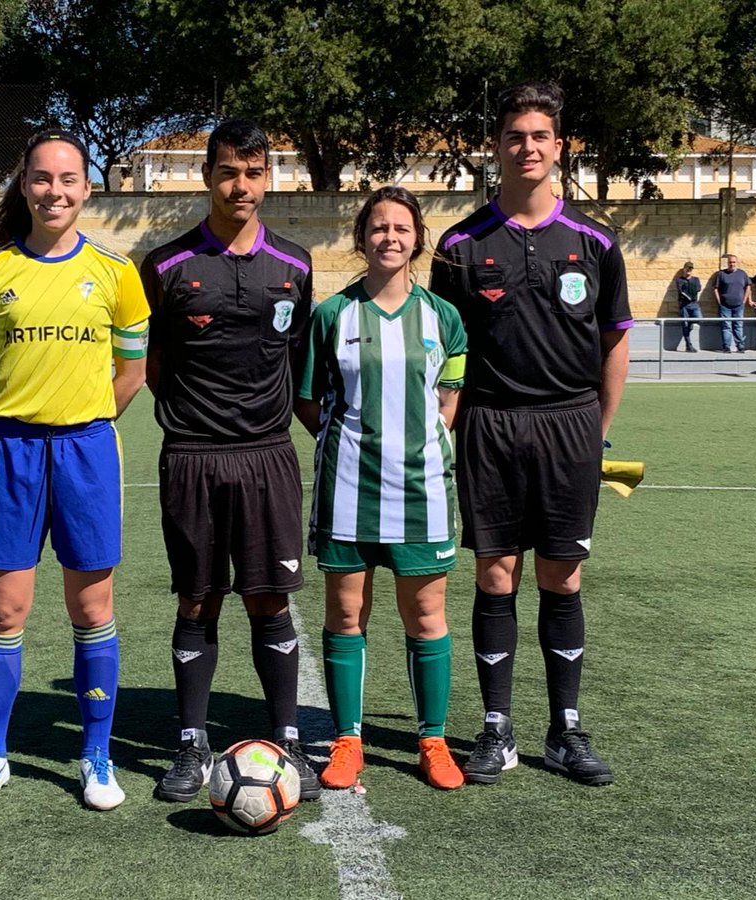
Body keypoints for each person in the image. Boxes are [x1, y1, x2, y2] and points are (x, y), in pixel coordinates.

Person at [430, 82, 631, 787]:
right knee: (494, 573)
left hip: (569, 423)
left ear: (559, 147)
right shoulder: (459, 245)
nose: (528, 147)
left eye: (541, 136)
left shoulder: (595, 241)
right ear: (497, 147)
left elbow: (613, 340)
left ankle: (565, 730)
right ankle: (496, 729)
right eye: (515, 135)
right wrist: (450, 420)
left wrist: (596, 428)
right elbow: (444, 349)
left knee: (563, 574)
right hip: (489, 424)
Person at [0, 129, 149, 813]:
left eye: (67, 179)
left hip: (88, 447)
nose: (54, 191)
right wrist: (22, 409)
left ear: (87, 188)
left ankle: (96, 755)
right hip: (10, 448)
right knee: (4, 608)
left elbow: (132, 373)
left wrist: (82, 414)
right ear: (23, 184)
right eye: (41, 178)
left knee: (92, 606)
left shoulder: (118, 273)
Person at [140, 118, 321, 803]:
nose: (239, 185)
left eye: (252, 172)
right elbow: (155, 366)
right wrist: (197, 419)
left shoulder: (297, 265)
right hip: (192, 456)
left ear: (267, 177)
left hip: (268, 456)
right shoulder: (165, 266)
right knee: (198, 598)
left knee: (269, 599)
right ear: (207, 174)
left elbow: (300, 362)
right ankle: (190, 744)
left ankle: (287, 739)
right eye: (226, 171)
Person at [296, 187, 468, 791]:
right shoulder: (331, 315)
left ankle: (433, 740)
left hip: (421, 494)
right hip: (347, 491)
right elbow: (310, 402)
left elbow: (448, 404)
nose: (389, 237)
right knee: (346, 615)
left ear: (417, 238)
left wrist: (412, 450)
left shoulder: (443, 318)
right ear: (361, 238)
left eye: (401, 227)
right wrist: (354, 448)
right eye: (377, 228)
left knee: (426, 616)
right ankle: (347, 740)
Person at [714, 254, 751, 353]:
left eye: (734, 262)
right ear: (727, 263)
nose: (732, 264)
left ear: (736, 262)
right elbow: (716, 289)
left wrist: (744, 301)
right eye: (730, 262)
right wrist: (719, 302)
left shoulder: (742, 274)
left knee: (738, 325)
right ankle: (726, 347)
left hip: (739, 305)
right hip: (725, 306)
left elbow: (748, 287)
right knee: (726, 326)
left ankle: (740, 346)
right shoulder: (721, 274)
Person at [674, 261, 701, 352]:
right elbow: (681, 291)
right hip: (684, 305)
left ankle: (690, 324)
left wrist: (688, 289)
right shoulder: (679, 280)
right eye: (687, 268)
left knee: (698, 318)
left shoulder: (696, 279)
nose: (689, 270)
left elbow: (697, 289)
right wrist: (688, 291)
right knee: (684, 325)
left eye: (690, 268)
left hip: (694, 304)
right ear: (684, 269)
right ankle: (688, 345)